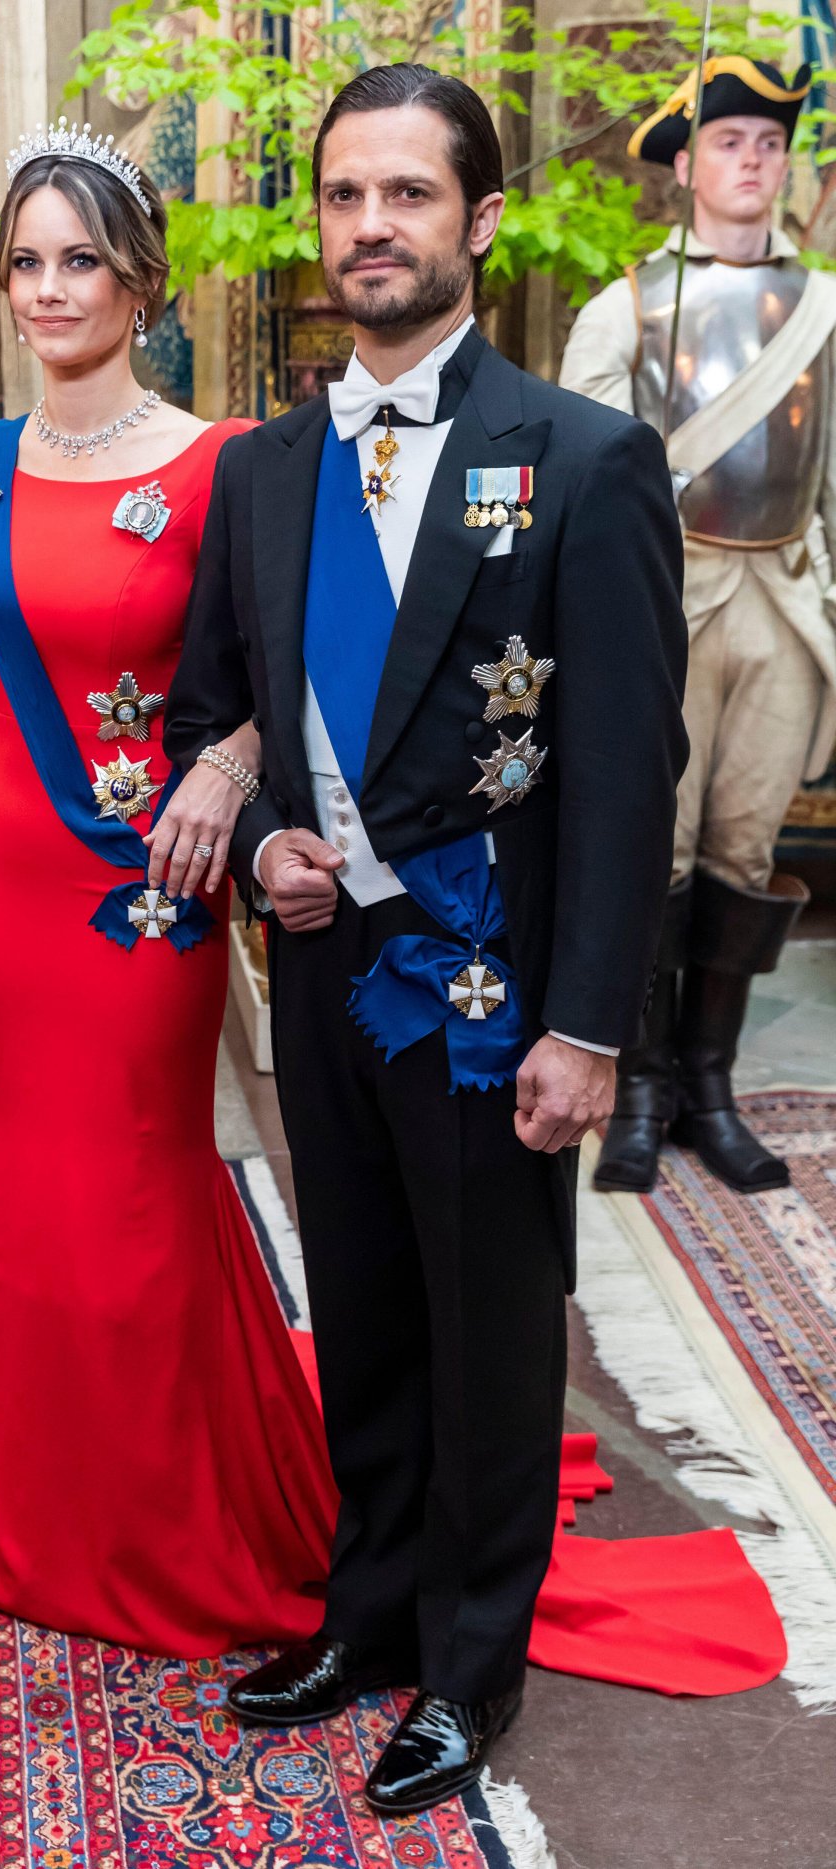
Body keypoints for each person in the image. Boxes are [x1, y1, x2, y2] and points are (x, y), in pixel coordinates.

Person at [159, 63, 688, 1813]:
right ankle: (368, 1607)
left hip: (492, 986)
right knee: (367, 1308)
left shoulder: (583, 458)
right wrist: (267, 850)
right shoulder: (266, 469)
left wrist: (593, 1022)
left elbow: (623, 770)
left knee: (487, 1332)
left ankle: (470, 1661)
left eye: (407, 194)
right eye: (345, 197)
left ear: (475, 218)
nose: (371, 226)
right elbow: (217, 716)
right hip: (322, 967)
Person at [0, 121, 336, 1654]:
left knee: (133, 1185)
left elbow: (293, 671)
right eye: (27, 262)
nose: (49, 288)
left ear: (139, 282)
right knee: (22, 1188)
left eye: (81, 260)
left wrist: (227, 770)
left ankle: (161, 1519)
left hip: (142, 887)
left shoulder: (224, 463)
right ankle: (19, 1505)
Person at [560, 57, 836, 1195]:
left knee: (743, 853)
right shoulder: (623, 307)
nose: (754, 162)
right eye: (730, 142)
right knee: (650, 853)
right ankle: (638, 1091)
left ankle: (710, 1091)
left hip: (782, 605)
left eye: (771, 144)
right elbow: (578, 484)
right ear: (685, 166)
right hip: (666, 612)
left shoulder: (823, 306)